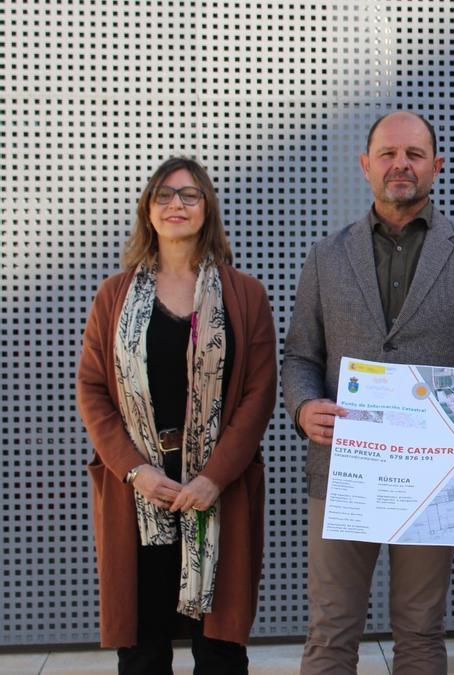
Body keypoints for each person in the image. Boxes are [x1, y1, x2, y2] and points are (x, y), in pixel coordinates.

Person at [281, 110, 454, 675]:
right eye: (388, 154)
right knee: (332, 628)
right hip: (343, 467)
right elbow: (301, 357)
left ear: (437, 166)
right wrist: (304, 405)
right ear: (366, 166)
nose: (400, 165)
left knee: (419, 629)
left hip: (431, 471)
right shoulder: (326, 255)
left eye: (413, 154)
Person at [76, 157, 277, 674]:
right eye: (164, 195)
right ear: (148, 210)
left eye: (190, 195)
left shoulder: (246, 296)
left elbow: (259, 394)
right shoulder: (113, 297)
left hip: (217, 494)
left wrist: (213, 478)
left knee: (220, 652)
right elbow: (93, 390)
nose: (176, 205)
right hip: (138, 493)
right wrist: (134, 469)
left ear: (207, 209)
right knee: (142, 652)